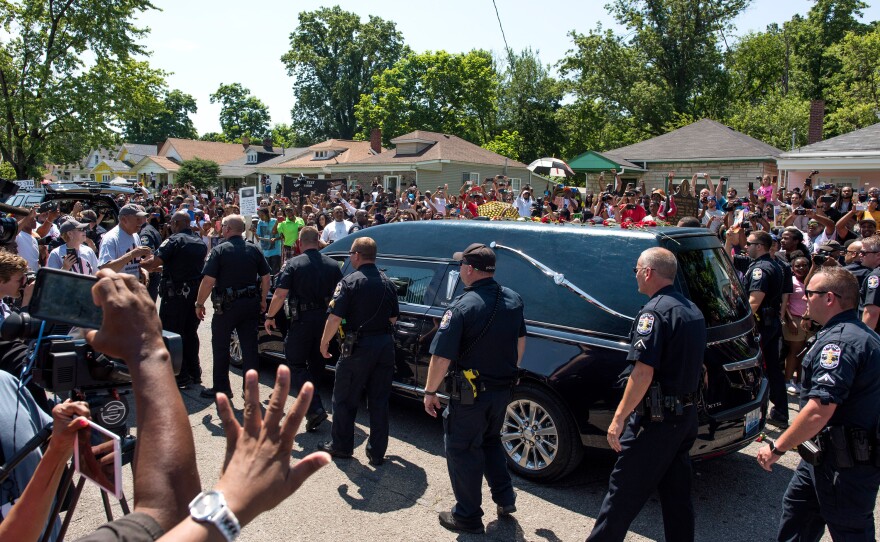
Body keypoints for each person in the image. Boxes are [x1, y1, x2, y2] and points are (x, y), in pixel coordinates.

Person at [585, 247, 705, 542]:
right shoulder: (691, 309)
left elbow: (642, 373)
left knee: (621, 493)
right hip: (684, 417)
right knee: (676, 494)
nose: (635, 275)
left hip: (656, 421)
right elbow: (701, 366)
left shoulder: (654, 312)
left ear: (648, 272)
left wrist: (619, 418)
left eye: (636, 270)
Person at [756, 266, 880, 541]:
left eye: (810, 293)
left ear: (829, 298)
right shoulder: (854, 334)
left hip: (845, 465)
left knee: (850, 531)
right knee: (798, 515)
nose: (805, 298)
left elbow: (819, 410)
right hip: (819, 454)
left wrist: (778, 447)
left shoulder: (840, 343)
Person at [422, 243, 526, 535]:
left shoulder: (462, 306)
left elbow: (442, 356)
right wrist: (509, 371)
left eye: (461, 266)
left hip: (470, 395)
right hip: (502, 389)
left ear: (469, 269)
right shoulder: (514, 299)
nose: (459, 271)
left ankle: (467, 516)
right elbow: (520, 341)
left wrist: (430, 392)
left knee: (462, 449)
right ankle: (505, 498)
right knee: (491, 442)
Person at [318, 237, 399, 464]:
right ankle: (377, 453)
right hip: (384, 346)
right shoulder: (388, 282)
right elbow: (393, 318)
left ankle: (342, 446)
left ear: (356, 255)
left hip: (357, 348)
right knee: (379, 401)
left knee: (344, 398)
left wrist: (324, 343)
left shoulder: (349, 282)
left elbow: (334, 318)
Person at [264, 226, 341, 432]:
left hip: (303, 321)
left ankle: (314, 407)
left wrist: (270, 316)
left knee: (296, 361)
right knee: (316, 363)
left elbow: (280, 294)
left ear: (299, 242)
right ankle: (311, 406)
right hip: (325, 321)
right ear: (318, 241)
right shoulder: (334, 265)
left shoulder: (294, 263)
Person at [195, 215, 271, 398]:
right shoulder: (254, 249)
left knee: (221, 346)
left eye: (222, 226)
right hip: (250, 304)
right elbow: (266, 277)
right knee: (250, 348)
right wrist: (262, 300)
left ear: (227, 228)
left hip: (226, 307)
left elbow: (208, 281)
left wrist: (199, 303)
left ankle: (222, 388)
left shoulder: (220, 250)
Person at [142, 211, 208, 389]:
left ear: (178, 223)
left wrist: (135, 262)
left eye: (171, 222)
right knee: (190, 333)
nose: (169, 226)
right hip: (193, 294)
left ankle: (180, 375)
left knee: (172, 335)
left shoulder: (174, 240)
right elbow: (181, 264)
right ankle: (195, 373)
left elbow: (153, 263)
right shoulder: (200, 242)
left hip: (175, 296)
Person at [743, 230, 789, 427]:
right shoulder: (775, 264)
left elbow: (754, 301)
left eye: (749, 243)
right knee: (773, 369)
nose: (746, 246)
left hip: (761, 325)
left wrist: (739, 324)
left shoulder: (760, 269)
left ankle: (755, 411)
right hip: (771, 323)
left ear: (759, 246)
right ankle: (780, 411)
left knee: (756, 369)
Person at [98, 204, 152, 279]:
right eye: (137, 219)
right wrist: (131, 255)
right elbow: (105, 269)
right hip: (117, 289)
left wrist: (143, 270)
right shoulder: (111, 238)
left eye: (141, 218)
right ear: (124, 219)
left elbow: (134, 263)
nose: (141, 222)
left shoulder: (135, 235)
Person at [783, 255, 810, 396]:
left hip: (810, 321)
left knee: (805, 352)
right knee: (795, 352)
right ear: (792, 268)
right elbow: (785, 303)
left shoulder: (811, 280)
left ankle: (800, 380)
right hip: (795, 319)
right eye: (798, 266)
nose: (801, 268)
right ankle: (788, 380)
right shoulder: (791, 282)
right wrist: (790, 321)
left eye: (804, 265)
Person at [255, 207, 282, 275]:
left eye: (262, 215)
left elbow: (282, 235)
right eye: (259, 216)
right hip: (265, 253)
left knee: (275, 274)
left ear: (267, 214)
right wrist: (253, 232)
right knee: (266, 274)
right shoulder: (260, 222)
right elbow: (258, 237)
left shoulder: (275, 221)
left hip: (275, 252)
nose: (260, 217)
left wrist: (275, 239)